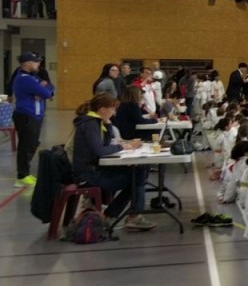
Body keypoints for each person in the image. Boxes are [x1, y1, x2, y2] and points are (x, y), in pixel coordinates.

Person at [70, 93, 152, 230]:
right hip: (87, 174)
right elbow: (100, 150)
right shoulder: (90, 124)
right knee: (137, 176)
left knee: (138, 172)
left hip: (93, 169)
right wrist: (122, 146)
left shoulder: (95, 122)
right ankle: (130, 216)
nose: (114, 113)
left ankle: (114, 215)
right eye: (112, 109)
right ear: (103, 109)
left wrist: (108, 125)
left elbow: (105, 143)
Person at [12, 52, 55, 187]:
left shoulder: (33, 78)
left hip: (34, 116)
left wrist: (44, 88)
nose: (38, 64)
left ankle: (25, 173)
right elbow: (47, 93)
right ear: (27, 63)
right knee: (26, 146)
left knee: (32, 144)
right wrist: (43, 90)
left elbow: (50, 87)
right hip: (27, 115)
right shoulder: (26, 79)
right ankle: (22, 176)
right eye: (35, 62)